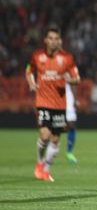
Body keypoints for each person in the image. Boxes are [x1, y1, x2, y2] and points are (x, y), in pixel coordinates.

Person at [26, 26, 80, 182]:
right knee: (45, 135)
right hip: (43, 102)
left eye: (56, 39)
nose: (53, 41)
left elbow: (77, 77)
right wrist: (31, 83)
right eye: (50, 38)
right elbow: (29, 69)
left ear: (60, 41)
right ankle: (39, 163)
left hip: (59, 104)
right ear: (45, 40)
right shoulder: (37, 56)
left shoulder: (67, 58)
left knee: (55, 140)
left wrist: (71, 80)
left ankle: (46, 171)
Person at [65, 82, 78, 163]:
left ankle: (69, 152)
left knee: (72, 125)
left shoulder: (70, 69)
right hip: (54, 95)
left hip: (67, 96)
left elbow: (75, 81)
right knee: (51, 128)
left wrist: (74, 98)